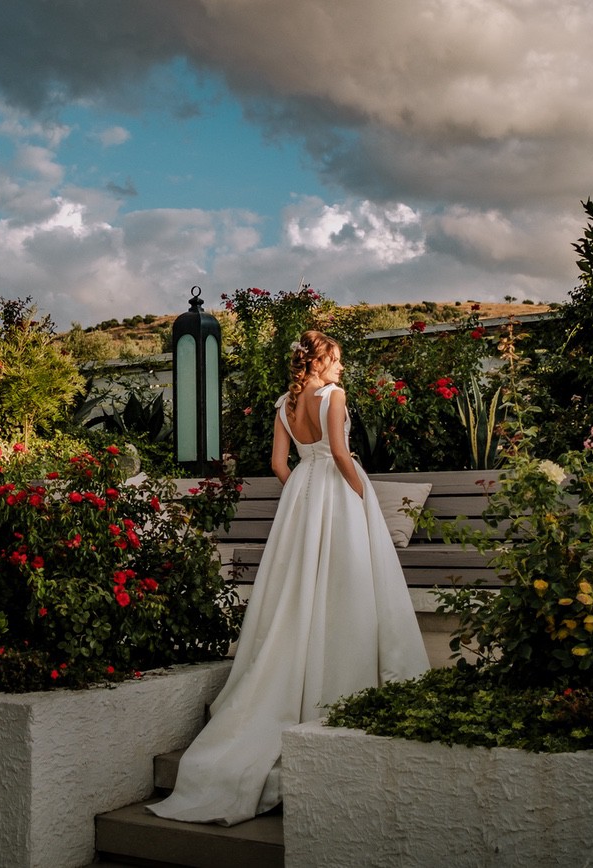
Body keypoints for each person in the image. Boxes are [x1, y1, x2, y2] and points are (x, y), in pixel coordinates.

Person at [149, 329, 429, 826]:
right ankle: (341, 679)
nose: (342, 368)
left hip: (300, 499)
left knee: (297, 590)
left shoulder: (285, 402)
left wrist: (304, 489)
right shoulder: (332, 396)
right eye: (338, 360)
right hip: (339, 496)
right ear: (321, 363)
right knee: (346, 585)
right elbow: (342, 455)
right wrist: (361, 499)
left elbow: (280, 464)